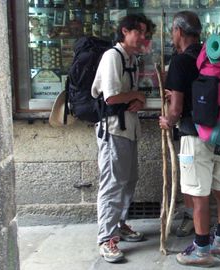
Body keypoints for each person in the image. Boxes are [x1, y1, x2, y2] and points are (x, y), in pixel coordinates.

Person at [159, 11, 220, 267]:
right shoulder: (212, 56)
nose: (172, 35)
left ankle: (201, 250)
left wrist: (167, 121)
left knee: (199, 195)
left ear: (179, 31)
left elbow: (177, 109)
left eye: (172, 31)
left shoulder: (180, 62)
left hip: (195, 135)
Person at [91, 14, 154, 263]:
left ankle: (119, 225)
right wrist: (136, 95)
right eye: (139, 32)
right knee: (113, 183)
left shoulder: (131, 59)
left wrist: (138, 99)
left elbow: (129, 97)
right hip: (113, 130)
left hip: (129, 128)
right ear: (124, 31)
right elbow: (111, 97)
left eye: (145, 34)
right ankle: (106, 239)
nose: (143, 38)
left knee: (128, 180)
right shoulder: (112, 57)